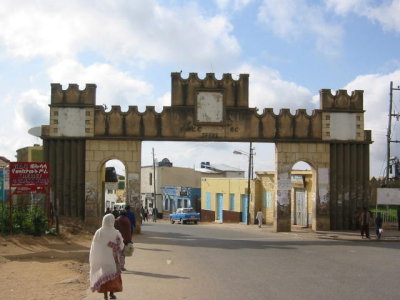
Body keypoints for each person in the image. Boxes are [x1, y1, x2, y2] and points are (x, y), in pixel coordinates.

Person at [89, 214, 123, 300]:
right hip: (113, 259)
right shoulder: (116, 232)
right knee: (112, 276)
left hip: (102, 259)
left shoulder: (98, 232)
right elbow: (120, 246)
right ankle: (112, 294)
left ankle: (105, 296)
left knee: (104, 276)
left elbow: (94, 246)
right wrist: (113, 246)